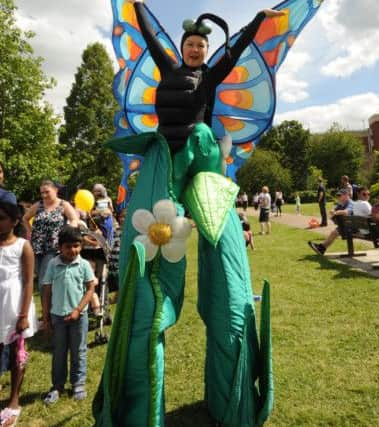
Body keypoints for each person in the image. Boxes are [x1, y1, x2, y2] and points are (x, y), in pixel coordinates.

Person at [94, 2, 283, 426]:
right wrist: (138, 4)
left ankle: (231, 396)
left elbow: (234, 53)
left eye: (201, 45)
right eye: (191, 44)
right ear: (182, 48)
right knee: (153, 247)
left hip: (200, 160)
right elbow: (147, 36)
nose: (196, 50)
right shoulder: (169, 67)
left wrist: (259, 21)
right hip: (164, 161)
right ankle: (138, 405)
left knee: (202, 138)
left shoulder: (209, 76)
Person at [41, 226, 96, 405]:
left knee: (79, 350)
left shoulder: (84, 265)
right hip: (57, 317)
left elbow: (90, 289)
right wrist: (47, 317)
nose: (73, 250)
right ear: (60, 247)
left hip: (79, 318)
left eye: (76, 246)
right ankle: (57, 386)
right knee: (59, 352)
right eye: (68, 246)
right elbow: (47, 291)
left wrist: (78, 310)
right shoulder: (52, 264)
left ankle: (78, 383)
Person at [0, 201, 38, 427]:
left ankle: (14, 399)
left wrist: (23, 314)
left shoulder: (23, 245)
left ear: (15, 221)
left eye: (2, 218)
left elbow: (27, 282)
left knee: (17, 352)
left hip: (14, 304)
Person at [23, 180, 79, 298]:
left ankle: (47, 312)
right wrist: (31, 232)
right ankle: (50, 309)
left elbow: (74, 219)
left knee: (44, 279)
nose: (44, 195)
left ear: (56, 190)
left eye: (47, 192)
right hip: (37, 247)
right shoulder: (39, 205)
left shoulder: (63, 204)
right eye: (42, 192)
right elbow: (25, 219)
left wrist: (66, 233)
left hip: (54, 247)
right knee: (44, 279)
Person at [308, 189, 353, 255]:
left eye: (340, 195)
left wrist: (336, 212)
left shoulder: (350, 203)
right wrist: (332, 211)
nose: (338, 197)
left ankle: (321, 248)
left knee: (335, 232)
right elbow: (334, 209)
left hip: (351, 228)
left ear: (346, 195)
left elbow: (346, 212)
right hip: (346, 226)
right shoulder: (342, 203)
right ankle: (321, 248)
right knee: (334, 232)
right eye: (338, 195)